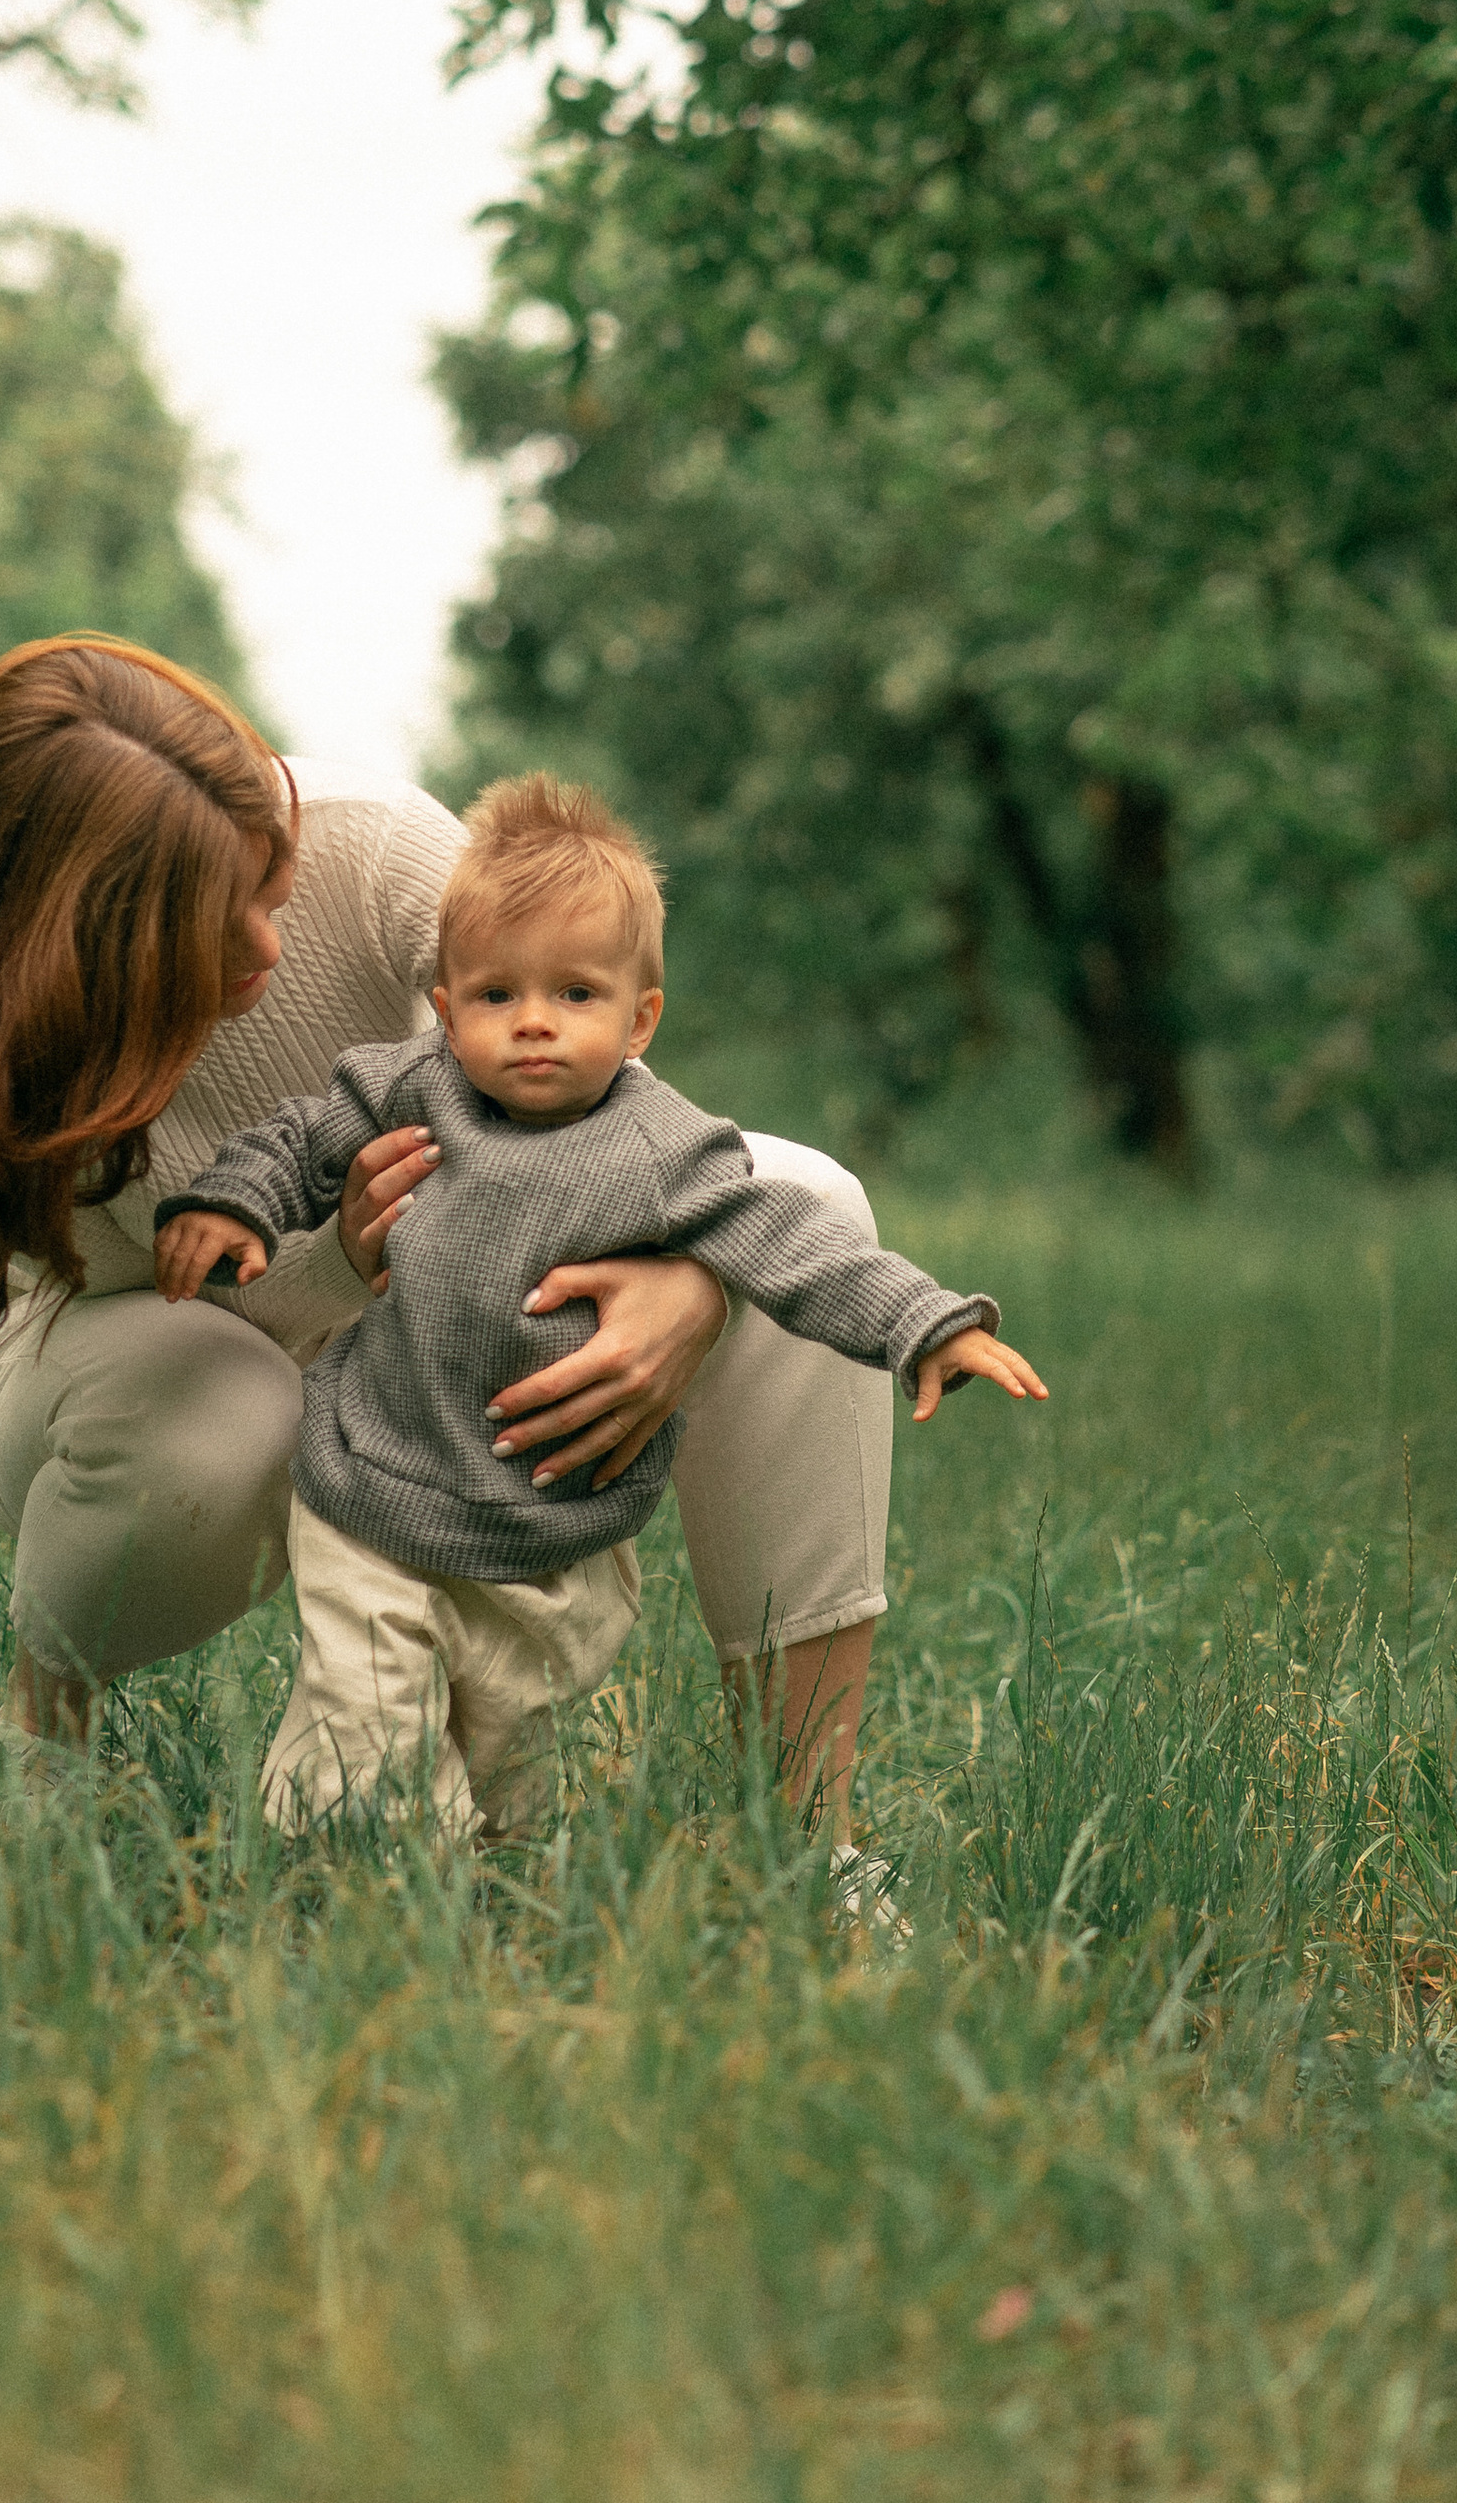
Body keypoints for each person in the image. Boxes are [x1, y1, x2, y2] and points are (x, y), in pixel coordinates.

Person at [0, 634, 977, 1836]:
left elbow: (618, 1117)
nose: (271, 942)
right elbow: (185, 1300)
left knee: (809, 1208)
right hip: (98, 1351)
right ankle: (38, 1734)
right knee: (223, 1413)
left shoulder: (364, 844)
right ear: (91, 942)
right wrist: (341, 1260)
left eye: (272, 887)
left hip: (426, 1275)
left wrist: (694, 1283)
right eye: (221, 921)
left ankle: (808, 1841)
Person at [154, 773, 1044, 1838]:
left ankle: (518, 1873)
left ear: (639, 1019)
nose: (532, 1024)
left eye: (574, 995)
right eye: (496, 996)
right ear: (445, 1007)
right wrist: (234, 1204)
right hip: (376, 1482)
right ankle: (378, 1893)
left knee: (511, 1764)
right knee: (371, 1742)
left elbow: (795, 1248)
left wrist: (925, 1324)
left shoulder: (664, 1150)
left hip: (550, 1526)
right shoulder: (411, 1088)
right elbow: (295, 1141)